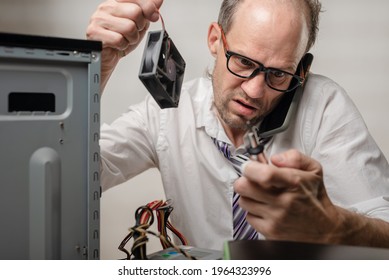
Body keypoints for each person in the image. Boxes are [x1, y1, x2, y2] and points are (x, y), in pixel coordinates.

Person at [87, 0, 389, 250]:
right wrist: (95, 69)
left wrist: (332, 227)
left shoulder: (324, 106)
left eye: (279, 74)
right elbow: (71, 177)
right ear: (215, 40)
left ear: (302, 70)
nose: (255, 91)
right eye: (244, 62)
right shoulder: (167, 113)